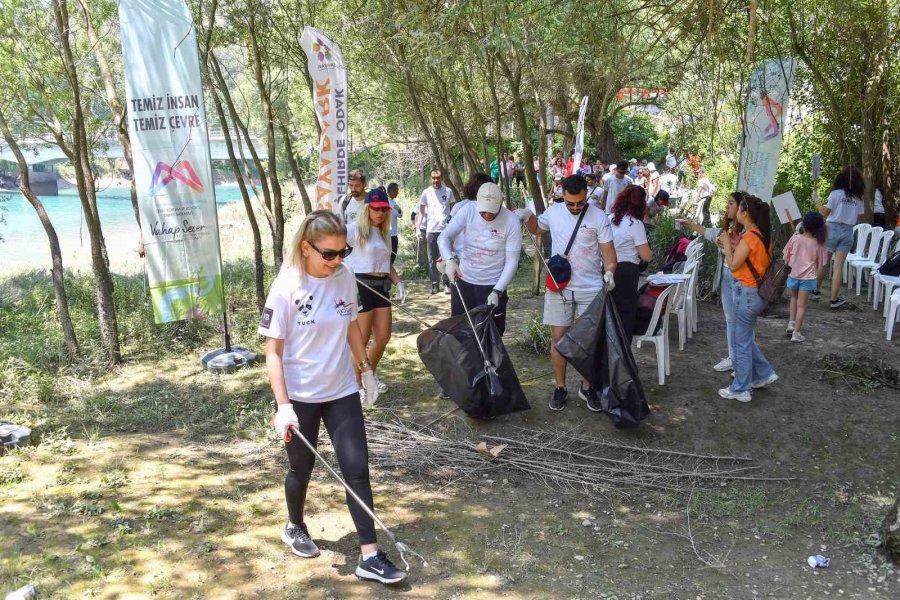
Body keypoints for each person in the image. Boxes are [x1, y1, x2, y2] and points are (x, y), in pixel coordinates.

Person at [261, 210, 407, 584]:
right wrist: (283, 406)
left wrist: (366, 369)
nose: (337, 260)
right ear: (307, 248)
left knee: (357, 468)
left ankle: (370, 555)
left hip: (341, 389)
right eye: (329, 254)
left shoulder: (344, 278)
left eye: (342, 251)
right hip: (301, 395)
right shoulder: (286, 286)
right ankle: (294, 525)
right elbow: (273, 352)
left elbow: (351, 328)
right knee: (301, 469)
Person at [516, 174, 618, 412]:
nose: (574, 207)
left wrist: (611, 271)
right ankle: (560, 387)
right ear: (562, 195)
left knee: (588, 341)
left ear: (587, 195)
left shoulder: (598, 216)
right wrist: (526, 215)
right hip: (559, 285)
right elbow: (536, 228)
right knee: (559, 339)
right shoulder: (553, 212)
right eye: (570, 203)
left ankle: (587, 386)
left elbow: (609, 252)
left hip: (591, 286)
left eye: (579, 203)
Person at [345, 189, 408, 402]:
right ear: (367, 209)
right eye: (375, 208)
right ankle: (355, 385)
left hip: (381, 287)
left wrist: (398, 281)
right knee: (360, 340)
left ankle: (368, 375)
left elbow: (386, 263)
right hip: (361, 285)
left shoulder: (384, 233)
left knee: (383, 337)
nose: (379, 213)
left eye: (383, 209)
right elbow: (331, 241)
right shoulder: (354, 230)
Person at [438, 182, 522, 335]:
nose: (487, 216)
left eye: (492, 212)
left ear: (501, 204)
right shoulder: (468, 210)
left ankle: (488, 360)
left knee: (491, 335)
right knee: (460, 333)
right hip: (464, 281)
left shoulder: (511, 221)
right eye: (483, 212)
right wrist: (449, 259)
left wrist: (497, 291)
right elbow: (444, 237)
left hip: (493, 285)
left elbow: (512, 261)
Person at [717, 194, 778, 402]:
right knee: (743, 339)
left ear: (745, 213)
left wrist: (726, 243)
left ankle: (740, 388)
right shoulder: (760, 235)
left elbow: (733, 264)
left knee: (740, 342)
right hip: (755, 293)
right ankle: (763, 373)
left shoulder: (750, 237)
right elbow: (750, 260)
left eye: (739, 208)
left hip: (747, 294)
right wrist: (735, 243)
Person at [678, 192, 742, 372]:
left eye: (731, 204)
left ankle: (742, 364)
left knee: (742, 323)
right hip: (726, 277)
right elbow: (709, 233)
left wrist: (728, 245)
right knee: (730, 320)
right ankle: (733, 357)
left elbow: (745, 254)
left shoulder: (747, 231)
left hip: (740, 280)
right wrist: (690, 224)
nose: (726, 207)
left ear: (742, 208)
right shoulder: (727, 227)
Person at [816, 165, 865, 308]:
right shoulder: (858, 198)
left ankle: (815, 291)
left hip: (832, 229)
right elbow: (860, 217)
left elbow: (824, 213)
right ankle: (834, 299)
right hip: (848, 231)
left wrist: (817, 201)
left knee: (824, 263)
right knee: (838, 266)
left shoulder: (836, 194)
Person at [609, 185, 653, 337]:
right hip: (626, 272)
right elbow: (646, 256)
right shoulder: (635, 224)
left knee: (609, 315)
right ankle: (623, 356)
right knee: (625, 316)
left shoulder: (609, 219)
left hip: (607, 268)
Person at [784, 212, 828, 343]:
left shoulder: (795, 238)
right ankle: (796, 333)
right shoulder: (819, 244)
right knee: (802, 305)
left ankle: (791, 323)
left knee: (794, 297)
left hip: (793, 274)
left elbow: (786, 254)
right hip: (808, 278)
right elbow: (822, 263)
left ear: (804, 224)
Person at [416, 169, 456, 294]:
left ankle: (446, 283)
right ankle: (434, 284)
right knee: (432, 258)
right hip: (431, 230)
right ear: (430, 179)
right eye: (433, 178)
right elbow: (421, 212)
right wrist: (417, 227)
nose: (435, 181)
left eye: (438, 178)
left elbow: (453, 209)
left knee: (444, 257)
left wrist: (454, 225)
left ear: (441, 178)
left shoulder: (448, 191)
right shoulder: (426, 192)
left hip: (445, 231)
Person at [448, 173, 493, 260]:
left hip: (485, 257)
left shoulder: (492, 208)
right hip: (463, 257)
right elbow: (448, 234)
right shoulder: (460, 207)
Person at [386, 182, 402, 265]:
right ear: (392, 191)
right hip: (389, 234)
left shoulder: (393, 202)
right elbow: (400, 214)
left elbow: (400, 214)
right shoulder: (387, 201)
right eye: (397, 191)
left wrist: (399, 209)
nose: (398, 193)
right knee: (391, 255)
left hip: (392, 233)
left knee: (392, 256)